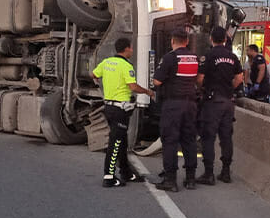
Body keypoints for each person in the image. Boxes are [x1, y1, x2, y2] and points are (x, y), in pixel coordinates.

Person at [91, 38, 155, 188]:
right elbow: (132, 87)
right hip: (120, 109)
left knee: (122, 141)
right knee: (116, 142)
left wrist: (106, 87)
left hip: (109, 108)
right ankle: (109, 176)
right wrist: (147, 91)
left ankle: (126, 172)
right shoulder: (126, 66)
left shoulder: (106, 62)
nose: (132, 50)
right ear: (126, 49)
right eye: (131, 48)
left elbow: (93, 75)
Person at [152, 28, 199, 192]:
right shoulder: (194, 58)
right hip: (191, 105)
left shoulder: (170, 58)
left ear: (173, 41)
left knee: (170, 140)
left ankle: (170, 179)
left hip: (173, 105)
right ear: (186, 41)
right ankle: (191, 178)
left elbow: (157, 81)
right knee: (189, 140)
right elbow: (199, 79)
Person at [196, 27, 243, 185]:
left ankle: (209, 173)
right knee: (226, 138)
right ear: (225, 39)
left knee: (208, 138)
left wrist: (204, 88)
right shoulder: (232, 57)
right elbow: (239, 78)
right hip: (228, 102)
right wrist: (229, 87)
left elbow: (200, 78)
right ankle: (226, 172)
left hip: (213, 101)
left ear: (211, 39)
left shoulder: (208, 56)